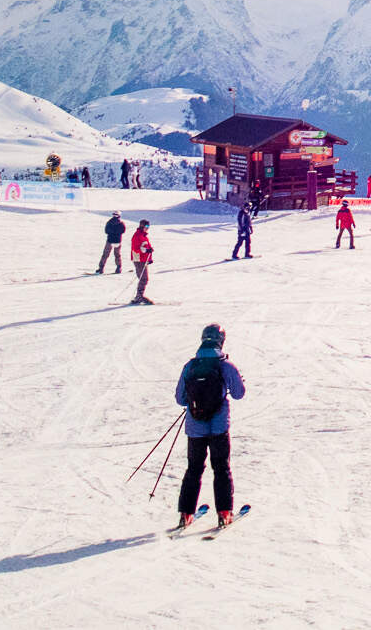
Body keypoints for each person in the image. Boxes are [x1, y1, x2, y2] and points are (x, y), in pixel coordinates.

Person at [172, 323, 246, 533]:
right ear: (221, 341)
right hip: (219, 427)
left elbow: (180, 398)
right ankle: (224, 513)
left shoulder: (191, 366)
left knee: (193, 469)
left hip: (195, 428)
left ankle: (185, 514)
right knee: (221, 467)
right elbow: (239, 393)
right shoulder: (225, 365)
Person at [129, 219, 155, 304]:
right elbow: (136, 249)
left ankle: (139, 296)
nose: (147, 228)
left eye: (148, 226)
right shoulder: (137, 235)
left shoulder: (143, 236)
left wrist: (149, 258)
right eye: (146, 226)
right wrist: (147, 250)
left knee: (143, 279)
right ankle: (139, 297)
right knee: (144, 279)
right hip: (138, 260)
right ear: (142, 226)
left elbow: (146, 247)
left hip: (142, 260)